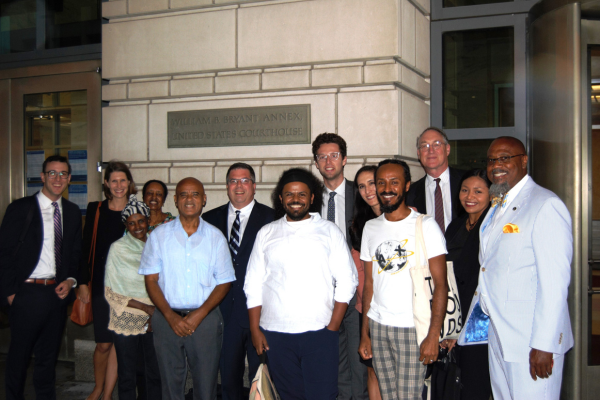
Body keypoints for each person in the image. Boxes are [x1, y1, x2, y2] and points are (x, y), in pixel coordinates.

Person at [464, 137, 573, 399]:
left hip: (530, 341)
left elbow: (555, 282)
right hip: (500, 336)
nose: (496, 165)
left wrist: (544, 344)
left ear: (523, 161)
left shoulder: (544, 204)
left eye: (505, 158)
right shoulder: (496, 204)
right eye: (491, 160)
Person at [244, 168, 358, 400]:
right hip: (275, 333)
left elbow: (347, 279)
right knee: (289, 396)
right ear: (280, 198)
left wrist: (333, 327)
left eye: (301, 194)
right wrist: (255, 330)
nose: (295, 200)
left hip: (319, 332)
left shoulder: (328, 231)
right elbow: (253, 283)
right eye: (289, 194)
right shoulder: (267, 232)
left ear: (312, 197)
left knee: (323, 395)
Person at [358, 159, 448, 400]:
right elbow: (369, 285)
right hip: (378, 326)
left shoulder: (426, 225)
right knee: (388, 395)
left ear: (407, 185)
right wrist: (364, 333)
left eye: (394, 182)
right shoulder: (370, 227)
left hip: (412, 327)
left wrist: (433, 335)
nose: (387, 188)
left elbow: (441, 284)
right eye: (381, 183)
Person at [139, 177, 235, 400]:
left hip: (206, 320)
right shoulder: (159, 236)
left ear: (204, 200)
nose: (189, 199)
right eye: (183, 194)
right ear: (175, 200)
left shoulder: (215, 237)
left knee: (206, 386)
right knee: (170, 387)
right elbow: (151, 280)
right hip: (166, 318)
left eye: (195, 195)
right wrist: (171, 317)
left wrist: (198, 315)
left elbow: (225, 282)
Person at [0, 155, 82, 400]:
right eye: (52, 173)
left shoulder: (72, 211)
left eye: (63, 174)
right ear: (42, 177)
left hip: (56, 294)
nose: (58, 179)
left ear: (69, 178)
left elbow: (75, 253)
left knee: (48, 359)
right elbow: (4, 254)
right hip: (26, 294)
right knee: (19, 358)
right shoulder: (20, 208)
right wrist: (11, 294)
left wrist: (71, 281)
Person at [203, 163, 275, 400]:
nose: (239, 186)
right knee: (229, 379)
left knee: (261, 379)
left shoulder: (273, 218)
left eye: (244, 181)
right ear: (226, 187)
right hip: (224, 313)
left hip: (261, 313)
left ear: (254, 186)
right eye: (233, 181)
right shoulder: (209, 219)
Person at [312, 132, 366, 400]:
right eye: (322, 156)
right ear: (316, 162)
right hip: (321, 292)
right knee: (334, 359)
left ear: (344, 159)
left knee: (359, 360)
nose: (328, 161)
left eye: (334, 155)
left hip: (356, 292)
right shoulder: (308, 199)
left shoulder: (362, 195)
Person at [78, 161, 137, 400]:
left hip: (127, 289)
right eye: (114, 181)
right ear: (106, 184)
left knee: (119, 344)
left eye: (123, 180)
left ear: (129, 183)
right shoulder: (96, 209)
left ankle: (107, 394)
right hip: (102, 287)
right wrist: (82, 282)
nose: (119, 185)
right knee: (103, 343)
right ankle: (97, 387)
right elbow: (85, 249)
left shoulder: (136, 211)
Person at [104, 195, 161, 400]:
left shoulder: (157, 245)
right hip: (126, 316)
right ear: (126, 225)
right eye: (131, 223)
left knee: (152, 374)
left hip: (154, 318)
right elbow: (111, 292)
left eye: (140, 221)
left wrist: (157, 313)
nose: (137, 227)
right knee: (127, 375)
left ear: (147, 220)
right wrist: (146, 309)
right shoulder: (118, 249)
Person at [442, 169, 492, 400]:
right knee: (456, 382)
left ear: (491, 195)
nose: (469, 196)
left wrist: (462, 327)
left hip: (480, 319)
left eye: (478, 191)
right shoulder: (456, 226)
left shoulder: (493, 226)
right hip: (454, 311)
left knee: (476, 382)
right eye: (464, 190)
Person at [349, 165, 382, 400]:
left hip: (400, 310)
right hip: (368, 308)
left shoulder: (409, 217)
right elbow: (361, 276)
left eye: (372, 183)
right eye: (361, 186)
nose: (368, 190)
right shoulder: (359, 224)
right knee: (372, 370)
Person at [406, 127, 465, 233]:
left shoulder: (466, 181)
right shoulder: (410, 193)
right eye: (425, 146)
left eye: (436, 144)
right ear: (418, 154)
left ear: (447, 149)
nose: (431, 151)